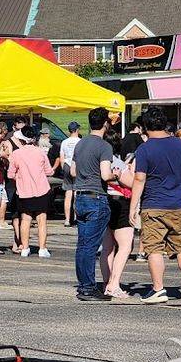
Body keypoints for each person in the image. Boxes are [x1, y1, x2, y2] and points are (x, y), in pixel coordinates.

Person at [129, 105, 181, 304]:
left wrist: (134, 206)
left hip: (154, 205)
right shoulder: (180, 145)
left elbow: (139, 179)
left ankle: (158, 289)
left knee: (154, 248)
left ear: (144, 126)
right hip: (178, 204)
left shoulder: (144, 149)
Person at [71, 107, 116, 300]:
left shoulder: (80, 144)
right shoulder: (104, 146)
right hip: (96, 197)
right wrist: (117, 174)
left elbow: (73, 171)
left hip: (79, 196)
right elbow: (106, 174)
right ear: (106, 123)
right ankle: (88, 287)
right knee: (90, 246)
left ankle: (84, 284)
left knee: (83, 244)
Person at [7, 125, 52, 258]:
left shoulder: (16, 154)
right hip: (42, 190)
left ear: (21, 140)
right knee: (42, 220)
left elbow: (10, 174)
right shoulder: (41, 152)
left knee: (25, 219)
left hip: (24, 190)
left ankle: (25, 247)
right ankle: (42, 248)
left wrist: (20, 177)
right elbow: (49, 171)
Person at [100, 137, 136, 299]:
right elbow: (131, 183)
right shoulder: (117, 163)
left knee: (107, 247)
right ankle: (114, 284)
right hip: (120, 203)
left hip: (104, 201)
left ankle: (106, 282)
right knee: (125, 246)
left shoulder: (98, 160)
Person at [59, 121, 81, 227]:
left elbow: (61, 158)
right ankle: (77, 218)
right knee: (77, 193)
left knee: (68, 193)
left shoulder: (64, 142)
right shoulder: (80, 142)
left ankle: (67, 219)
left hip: (67, 165)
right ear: (77, 130)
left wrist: (64, 168)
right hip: (77, 166)